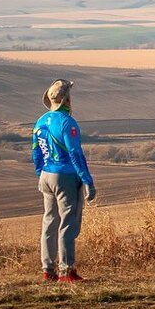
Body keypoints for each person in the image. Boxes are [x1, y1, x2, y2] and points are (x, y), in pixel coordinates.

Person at [33, 79, 95, 282]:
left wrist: (40, 173)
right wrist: (87, 180)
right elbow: (76, 153)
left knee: (49, 222)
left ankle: (47, 269)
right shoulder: (68, 123)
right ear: (66, 99)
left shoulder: (41, 121)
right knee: (68, 223)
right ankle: (66, 270)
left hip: (46, 175)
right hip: (65, 176)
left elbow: (36, 152)